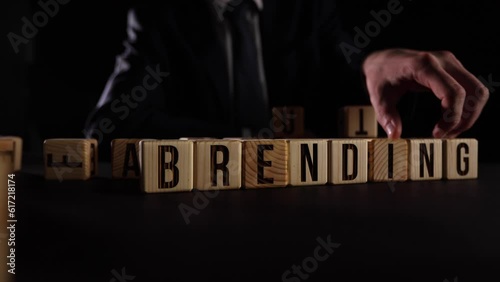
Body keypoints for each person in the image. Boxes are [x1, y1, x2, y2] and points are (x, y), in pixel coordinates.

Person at [84, 0, 489, 160]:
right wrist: (244, 143)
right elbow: (108, 127)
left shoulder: (306, 8)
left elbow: (349, 61)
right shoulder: (160, 14)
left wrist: (375, 61)